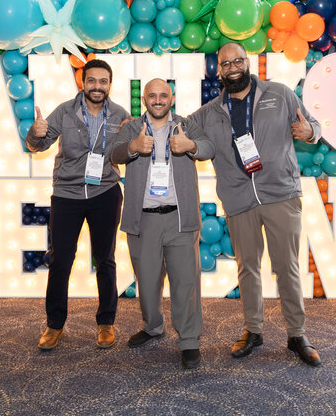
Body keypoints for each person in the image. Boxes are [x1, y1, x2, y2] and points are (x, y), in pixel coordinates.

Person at [189, 42, 323, 366]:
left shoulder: (279, 94)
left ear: (247, 63)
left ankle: (297, 333)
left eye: (238, 60)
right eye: (225, 63)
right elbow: (184, 131)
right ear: (218, 70)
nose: (232, 66)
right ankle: (253, 330)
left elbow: (313, 125)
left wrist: (310, 132)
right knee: (247, 268)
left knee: (287, 267)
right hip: (238, 199)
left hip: (280, 194)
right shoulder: (209, 112)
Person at [26, 59, 130, 351]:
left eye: (103, 81)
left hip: (105, 194)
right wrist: (36, 132)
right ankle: (54, 325)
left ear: (110, 84)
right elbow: (38, 145)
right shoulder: (64, 111)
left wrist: (131, 137)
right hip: (67, 195)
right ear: (82, 83)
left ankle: (106, 323)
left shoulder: (121, 115)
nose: (97, 86)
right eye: (92, 81)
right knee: (60, 261)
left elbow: (127, 153)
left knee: (106, 260)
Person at [111, 79, 215, 369]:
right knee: (146, 281)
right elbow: (113, 154)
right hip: (143, 219)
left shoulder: (185, 124)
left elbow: (209, 148)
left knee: (186, 282)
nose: (158, 100)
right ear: (144, 99)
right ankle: (153, 326)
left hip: (179, 218)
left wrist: (190, 145)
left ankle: (190, 340)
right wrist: (132, 147)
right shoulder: (132, 127)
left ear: (172, 98)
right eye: (152, 96)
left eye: (163, 95)